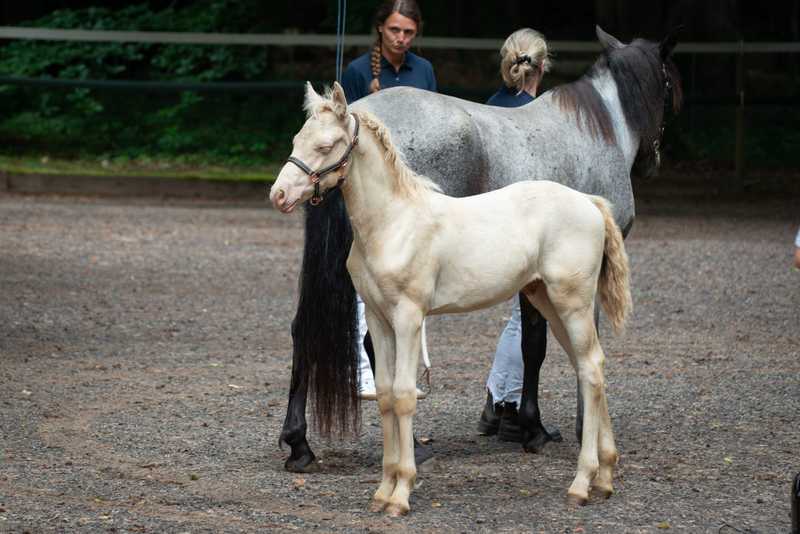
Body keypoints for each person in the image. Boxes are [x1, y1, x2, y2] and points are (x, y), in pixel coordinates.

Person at [340, 0, 436, 402]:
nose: (401, 39)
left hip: (409, 191)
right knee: (365, 280)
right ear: (381, 28)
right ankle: (363, 369)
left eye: (408, 32)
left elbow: (434, 127)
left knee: (412, 280)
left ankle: (406, 368)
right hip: (370, 193)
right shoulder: (358, 71)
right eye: (395, 30)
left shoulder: (424, 70)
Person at [476, 28, 552, 442]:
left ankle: (499, 402)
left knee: (519, 317)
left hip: (489, 217)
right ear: (543, 66)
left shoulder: (490, 105)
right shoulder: (540, 118)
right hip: (522, 225)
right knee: (528, 316)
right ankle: (503, 402)